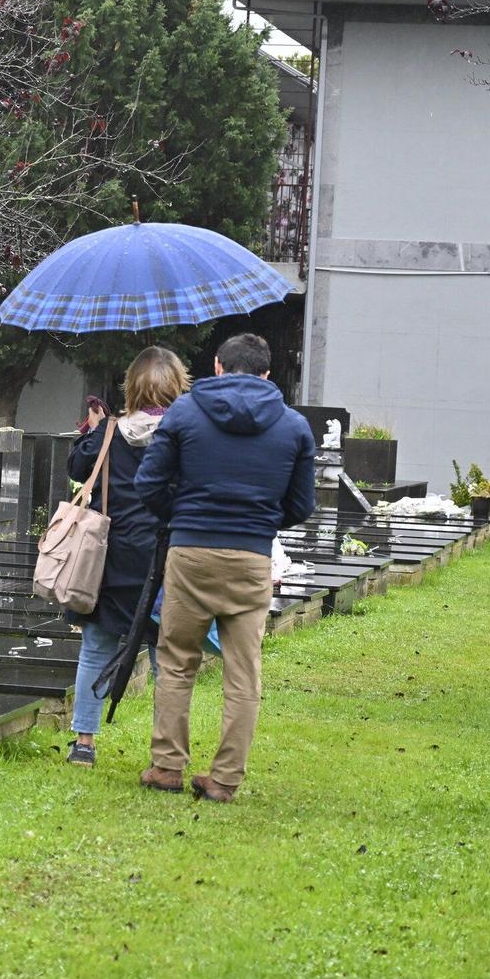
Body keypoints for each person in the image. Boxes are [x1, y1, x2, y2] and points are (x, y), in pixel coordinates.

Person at [134, 332, 316, 802]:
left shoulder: (185, 413)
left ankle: (167, 766)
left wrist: (181, 516)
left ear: (216, 366)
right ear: (267, 374)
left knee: (176, 661)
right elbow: (300, 504)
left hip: (191, 552)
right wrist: (259, 524)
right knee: (243, 671)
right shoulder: (294, 427)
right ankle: (226, 777)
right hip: (251, 557)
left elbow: (148, 482)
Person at [63, 347, 190, 769]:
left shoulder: (111, 432)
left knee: (96, 649)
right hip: (168, 560)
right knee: (166, 661)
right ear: (178, 386)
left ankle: (84, 742)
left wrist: (94, 431)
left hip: (112, 560)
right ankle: (166, 749)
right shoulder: (187, 432)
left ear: (130, 387)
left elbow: (78, 467)